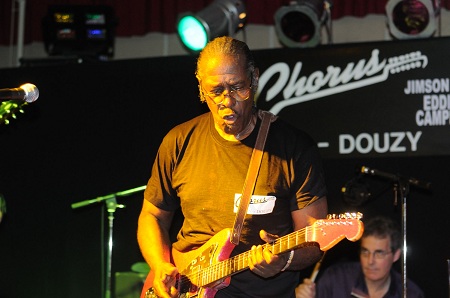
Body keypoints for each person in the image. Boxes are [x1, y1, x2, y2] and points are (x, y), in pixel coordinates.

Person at [137, 36, 328, 298]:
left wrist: (284, 260)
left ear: (255, 80)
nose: (227, 100)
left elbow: (314, 238)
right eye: (215, 91)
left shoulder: (294, 148)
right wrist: (160, 265)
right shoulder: (178, 141)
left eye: (238, 87)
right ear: (201, 89)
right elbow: (152, 216)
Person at [295, 216, 424, 298]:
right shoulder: (336, 278)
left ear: (396, 255)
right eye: (365, 252)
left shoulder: (410, 293)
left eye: (379, 253)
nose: (370, 261)